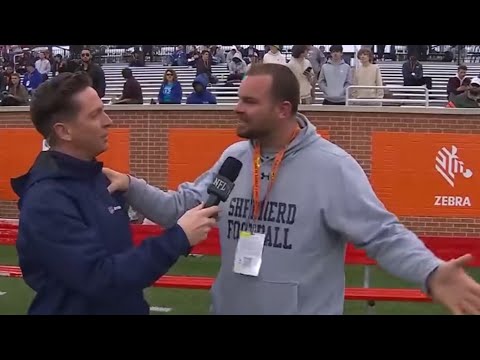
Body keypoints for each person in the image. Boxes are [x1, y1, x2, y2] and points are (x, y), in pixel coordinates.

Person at [104, 63, 480, 315]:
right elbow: (178, 208)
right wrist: (131, 186)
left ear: (283, 109)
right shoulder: (235, 158)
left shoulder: (332, 167)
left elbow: (383, 235)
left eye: (249, 102)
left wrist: (431, 272)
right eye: (239, 98)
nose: (237, 108)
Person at [11, 72, 219, 315]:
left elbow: (123, 266)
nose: (108, 121)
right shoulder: (46, 199)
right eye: (95, 114)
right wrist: (179, 237)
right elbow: (101, 278)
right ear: (64, 131)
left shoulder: (100, 181)